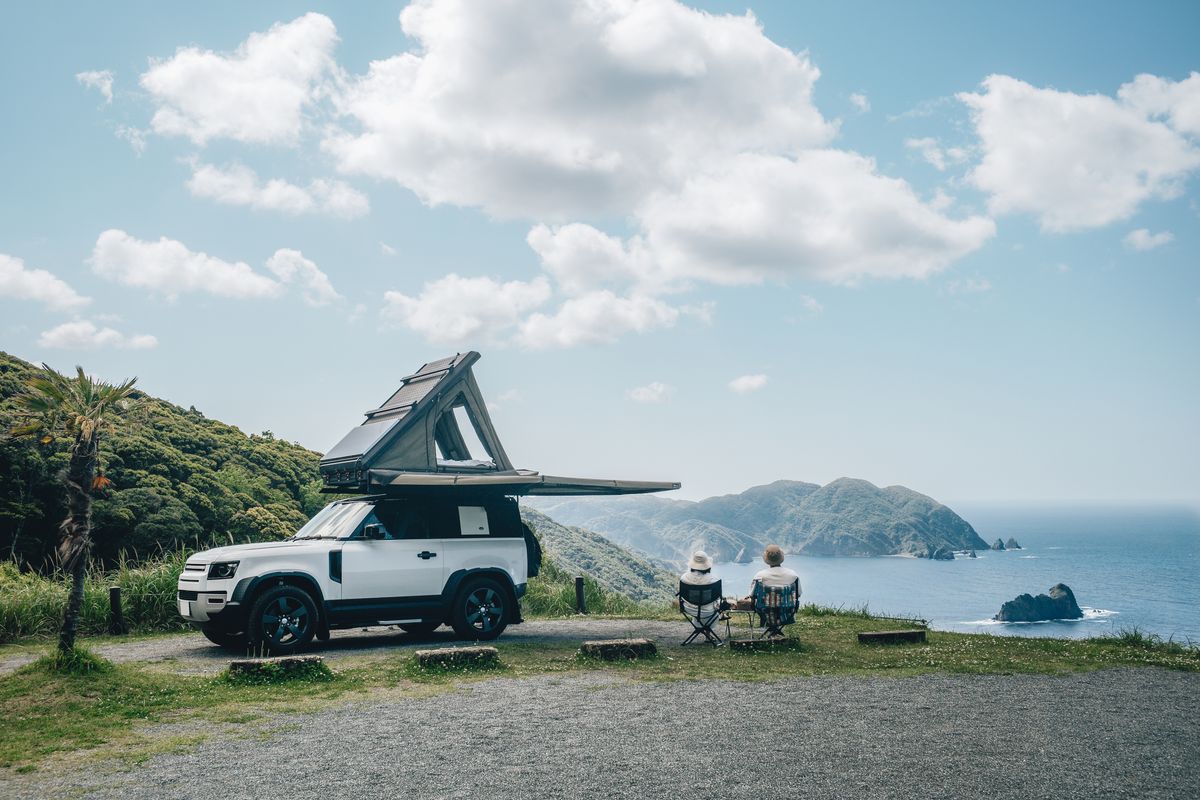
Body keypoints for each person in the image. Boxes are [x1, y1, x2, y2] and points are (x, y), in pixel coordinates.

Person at [679, 550, 723, 627]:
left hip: (689, 609)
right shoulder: (714, 580)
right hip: (708, 611)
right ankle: (707, 631)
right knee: (711, 606)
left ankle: (704, 631)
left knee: (701, 604)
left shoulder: (684, 578)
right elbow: (718, 597)